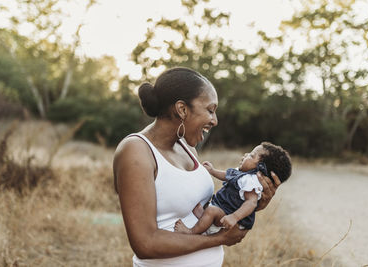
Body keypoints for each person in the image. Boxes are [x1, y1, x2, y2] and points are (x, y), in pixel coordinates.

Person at [113, 67, 281, 267]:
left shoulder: (187, 148)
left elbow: (207, 210)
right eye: (210, 110)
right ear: (182, 109)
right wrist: (219, 239)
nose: (215, 120)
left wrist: (250, 203)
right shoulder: (136, 151)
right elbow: (145, 243)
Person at [174, 142, 292, 236]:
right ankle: (205, 219)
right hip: (223, 209)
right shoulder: (242, 174)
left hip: (229, 216)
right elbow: (226, 176)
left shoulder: (252, 182)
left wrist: (234, 217)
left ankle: (191, 232)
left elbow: (251, 203)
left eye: (251, 155)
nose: (245, 155)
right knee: (206, 207)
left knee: (212, 211)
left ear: (260, 168)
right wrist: (213, 171)